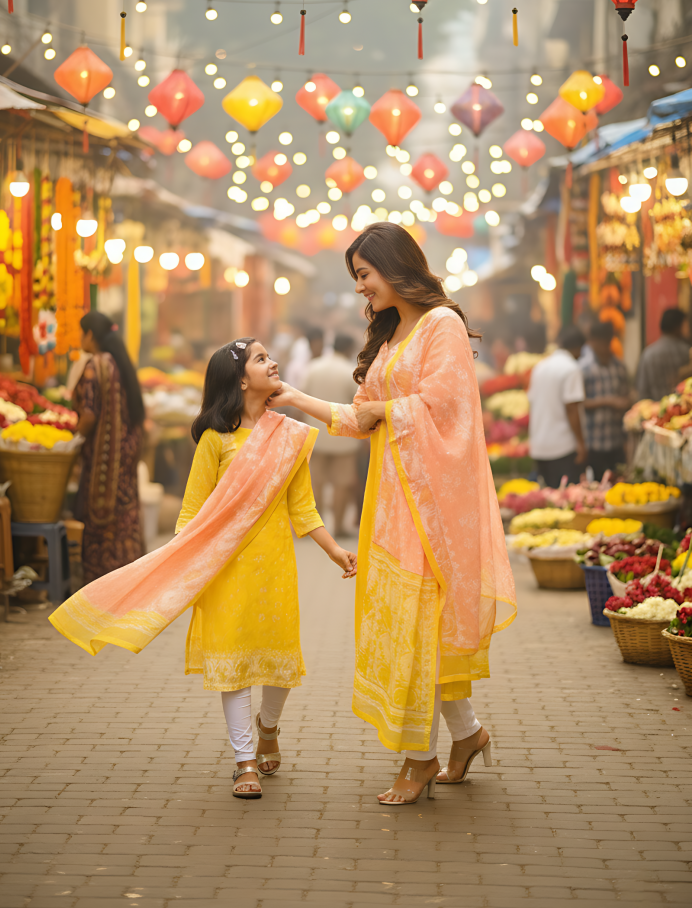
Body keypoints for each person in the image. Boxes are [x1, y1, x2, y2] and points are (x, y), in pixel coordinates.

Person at [269, 223, 516, 806]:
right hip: (390, 504)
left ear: (395, 266)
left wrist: (384, 410)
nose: (360, 287)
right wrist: (294, 399)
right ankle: (467, 735)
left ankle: (418, 758)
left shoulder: (440, 325)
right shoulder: (390, 334)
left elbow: (448, 407)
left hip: (430, 508)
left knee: (415, 629)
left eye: (364, 274)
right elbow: (360, 417)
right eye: (356, 277)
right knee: (414, 628)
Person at [50, 338, 356, 801]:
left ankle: (268, 728)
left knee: (279, 665)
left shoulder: (290, 436)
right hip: (224, 569)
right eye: (261, 359)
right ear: (240, 380)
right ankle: (244, 759)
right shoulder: (216, 440)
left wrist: (334, 550)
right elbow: (192, 513)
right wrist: (180, 569)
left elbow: (303, 507)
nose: (272, 362)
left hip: (275, 568)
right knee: (233, 665)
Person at [74, 311, 146, 585]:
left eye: (81, 333)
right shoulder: (120, 362)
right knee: (124, 513)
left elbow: (89, 413)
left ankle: (101, 582)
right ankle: (127, 577)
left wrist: (73, 439)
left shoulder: (95, 365)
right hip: (126, 453)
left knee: (100, 518)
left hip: (105, 459)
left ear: (90, 334)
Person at [302, 333, 359, 537]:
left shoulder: (313, 367)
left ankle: (316, 527)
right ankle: (339, 527)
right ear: (348, 349)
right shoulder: (350, 372)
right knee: (341, 483)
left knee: (315, 482)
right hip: (344, 437)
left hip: (316, 436)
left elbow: (302, 396)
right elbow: (359, 403)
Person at [527, 325, 587, 488]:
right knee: (567, 497)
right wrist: (581, 444)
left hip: (539, 447)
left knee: (549, 498)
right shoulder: (571, 368)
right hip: (562, 448)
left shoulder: (540, 366)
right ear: (578, 347)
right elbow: (572, 408)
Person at [582, 320, 630, 480]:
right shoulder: (584, 368)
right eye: (600, 341)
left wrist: (625, 402)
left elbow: (627, 396)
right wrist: (608, 401)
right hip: (594, 441)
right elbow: (580, 403)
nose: (604, 345)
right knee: (597, 484)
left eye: (606, 341)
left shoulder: (619, 367)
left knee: (618, 481)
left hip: (616, 439)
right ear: (593, 342)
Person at [637, 307, 690, 401]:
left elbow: (642, 391)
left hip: (655, 408)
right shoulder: (686, 352)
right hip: (682, 408)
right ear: (678, 327)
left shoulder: (648, 354)